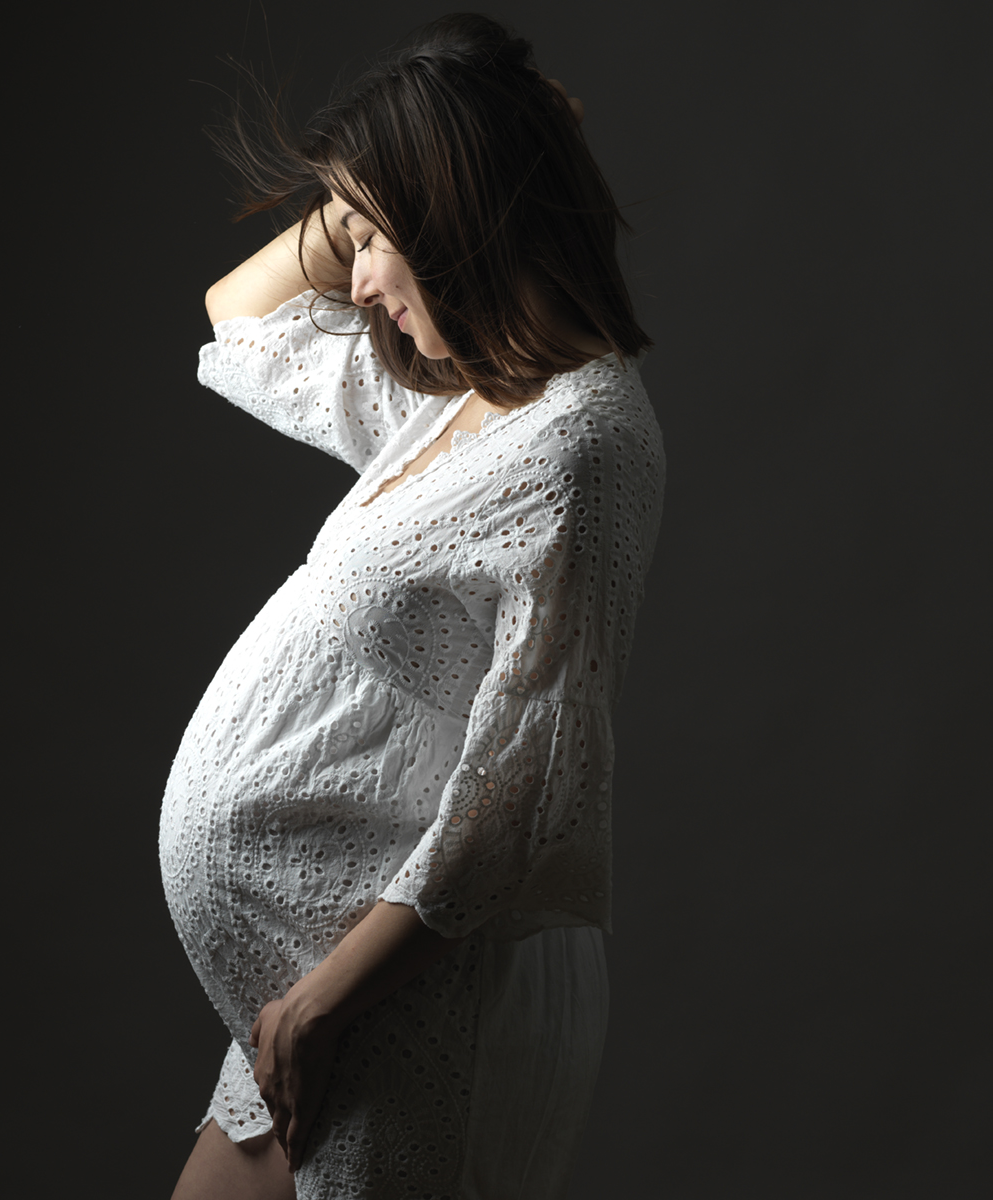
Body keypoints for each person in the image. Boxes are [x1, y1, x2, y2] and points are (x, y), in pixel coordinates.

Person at [161, 13, 665, 1198]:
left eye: (382, 238)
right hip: (322, 991)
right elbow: (240, 309)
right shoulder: (458, 403)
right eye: (358, 236)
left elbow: (531, 783)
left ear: (464, 213)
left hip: (406, 992)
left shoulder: (581, 448)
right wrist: (357, 203)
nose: (361, 276)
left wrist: (328, 1000)